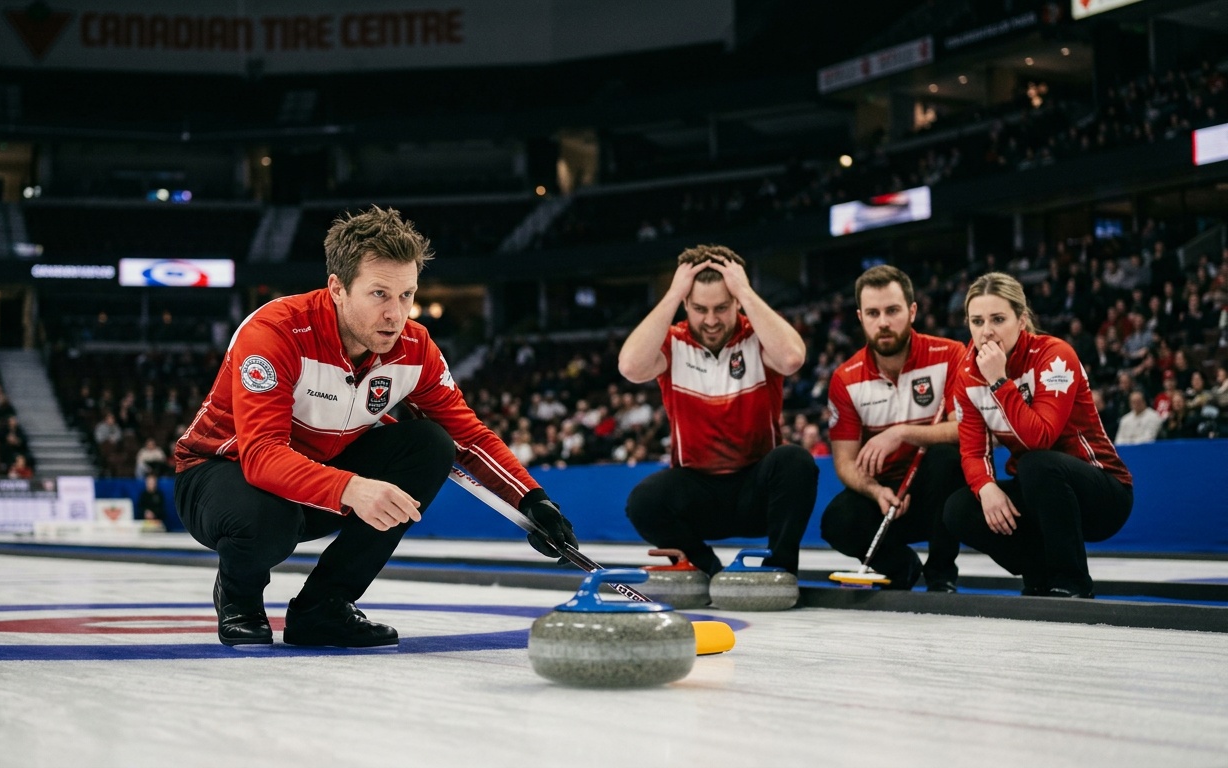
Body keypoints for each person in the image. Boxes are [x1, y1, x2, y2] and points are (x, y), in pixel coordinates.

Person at [173, 206, 576, 648]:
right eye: (379, 294)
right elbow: (262, 457)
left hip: (321, 478)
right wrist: (352, 488)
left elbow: (468, 436)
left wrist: (533, 499)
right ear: (337, 289)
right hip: (219, 474)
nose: (396, 314)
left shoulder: (415, 347)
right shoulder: (276, 331)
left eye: (407, 295)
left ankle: (324, 606)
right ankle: (239, 598)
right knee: (267, 517)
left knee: (429, 443)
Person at [618, 244, 817, 578]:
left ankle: (780, 573)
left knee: (795, 462)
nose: (711, 320)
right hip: (698, 493)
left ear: (737, 301)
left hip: (757, 490)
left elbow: (792, 358)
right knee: (643, 502)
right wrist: (672, 295)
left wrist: (746, 291)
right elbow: (630, 367)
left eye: (722, 307)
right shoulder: (673, 341)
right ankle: (706, 568)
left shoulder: (757, 337)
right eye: (699, 308)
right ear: (685, 304)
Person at [944, 272, 1133, 599]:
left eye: (998, 319)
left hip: (1103, 494)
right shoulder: (966, 374)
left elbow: (1040, 439)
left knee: (1036, 463)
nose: (986, 331)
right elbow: (973, 451)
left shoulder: (1055, 355)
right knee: (959, 509)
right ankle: (1039, 574)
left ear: (1022, 320)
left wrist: (1000, 382)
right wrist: (985, 487)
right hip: (1039, 492)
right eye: (977, 321)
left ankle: (1071, 581)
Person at [821, 266, 968, 592]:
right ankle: (901, 569)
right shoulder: (845, 378)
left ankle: (941, 574)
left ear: (912, 311)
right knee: (835, 522)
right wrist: (876, 491)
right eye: (873, 313)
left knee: (947, 458)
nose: (883, 322)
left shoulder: (950, 355)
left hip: (937, 494)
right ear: (860, 317)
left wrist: (902, 432)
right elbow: (845, 462)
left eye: (892, 310)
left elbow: (966, 430)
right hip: (887, 496)